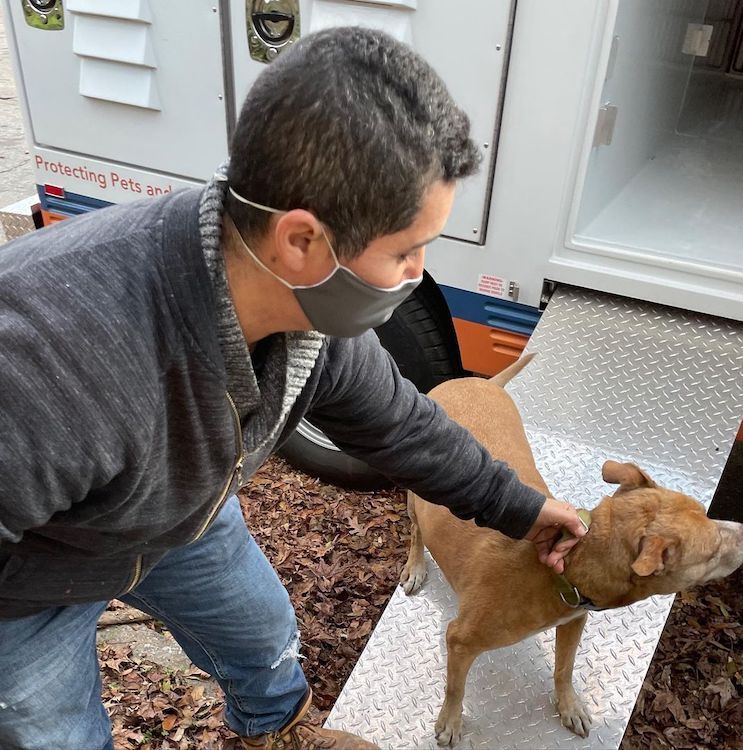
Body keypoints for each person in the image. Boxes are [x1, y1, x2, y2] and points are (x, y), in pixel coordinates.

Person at [0, 27, 586, 750]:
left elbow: (404, 427)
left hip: (173, 512)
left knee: (260, 629)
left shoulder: (311, 323)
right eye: (406, 250)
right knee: (48, 728)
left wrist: (524, 510)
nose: (417, 272)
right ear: (302, 241)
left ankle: (276, 732)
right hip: (27, 577)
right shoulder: (54, 358)